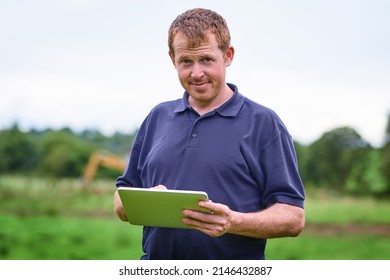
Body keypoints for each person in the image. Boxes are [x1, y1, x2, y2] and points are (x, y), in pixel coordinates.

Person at [114, 7, 305, 260]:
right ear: (172, 59)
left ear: (228, 55)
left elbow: (293, 217)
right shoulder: (157, 118)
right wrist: (142, 203)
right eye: (186, 62)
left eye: (206, 60)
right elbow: (122, 198)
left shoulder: (264, 123)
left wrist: (233, 222)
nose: (196, 73)